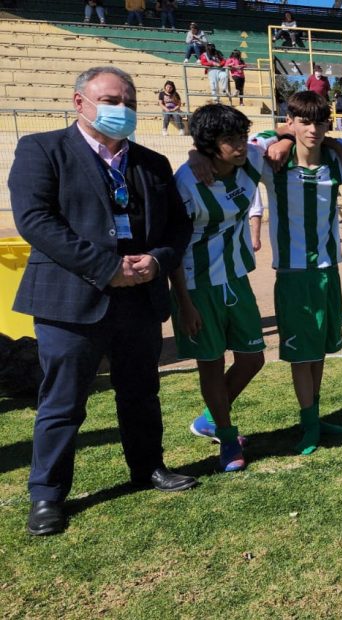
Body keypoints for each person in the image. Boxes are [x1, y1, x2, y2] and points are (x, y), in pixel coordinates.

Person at [10, 66, 196, 536]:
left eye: (130, 101)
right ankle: (47, 495)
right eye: (112, 100)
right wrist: (105, 267)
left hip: (139, 298)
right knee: (63, 402)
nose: (123, 110)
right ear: (80, 103)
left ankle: (148, 466)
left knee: (140, 392)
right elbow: (35, 220)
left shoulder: (152, 163)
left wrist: (156, 261)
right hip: (72, 302)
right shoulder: (42, 150)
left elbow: (178, 226)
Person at [249, 91, 342, 454]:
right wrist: (283, 138)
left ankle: (315, 416)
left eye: (321, 123)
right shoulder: (274, 163)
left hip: (327, 271)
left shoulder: (334, 164)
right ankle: (307, 424)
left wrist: (336, 144)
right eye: (303, 121)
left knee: (318, 351)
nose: (313, 129)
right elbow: (246, 141)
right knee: (301, 356)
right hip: (292, 273)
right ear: (289, 121)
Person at [170, 104, 267, 472]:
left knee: (252, 358)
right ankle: (227, 441)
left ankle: (210, 418)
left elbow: (281, 135)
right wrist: (185, 304)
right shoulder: (187, 182)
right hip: (197, 287)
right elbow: (174, 248)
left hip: (236, 278)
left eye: (241, 136)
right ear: (210, 145)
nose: (240, 146)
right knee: (211, 364)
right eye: (229, 140)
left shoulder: (251, 162)